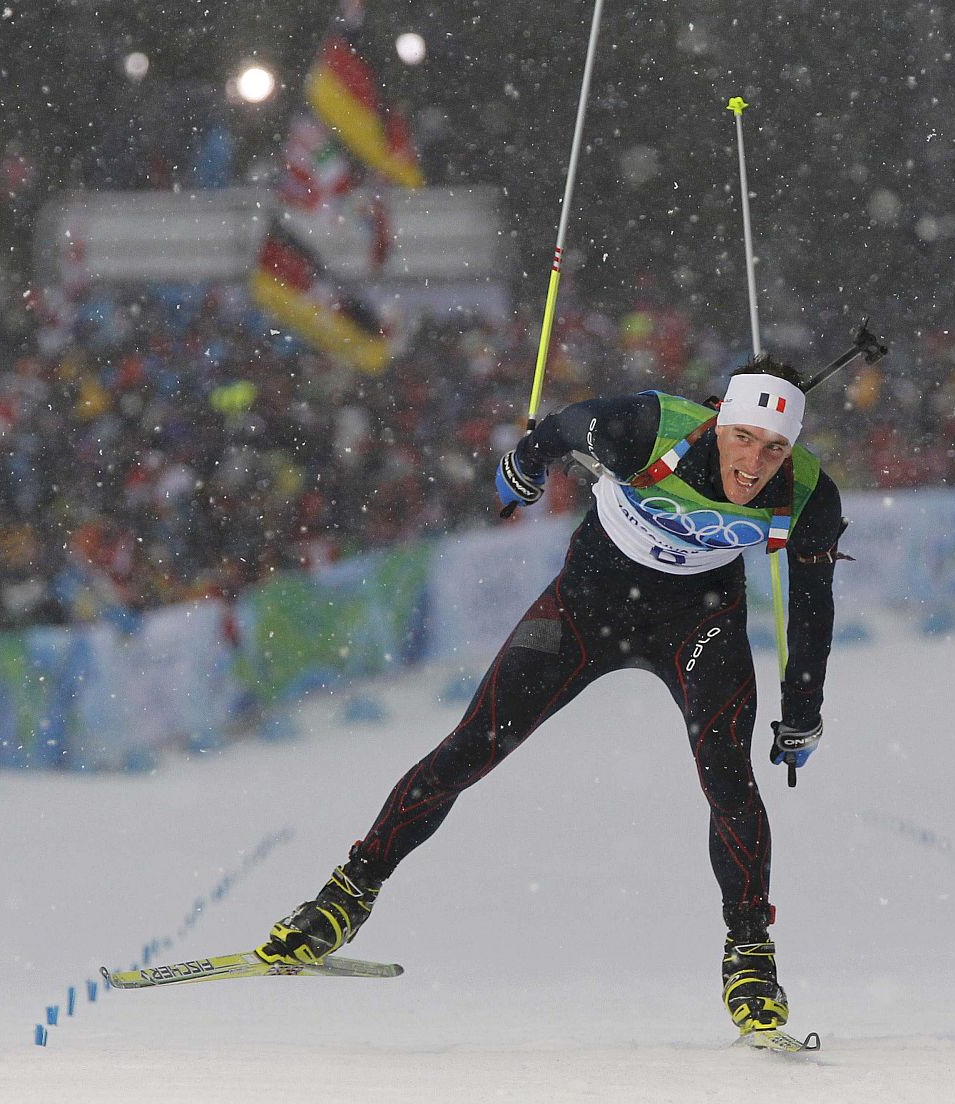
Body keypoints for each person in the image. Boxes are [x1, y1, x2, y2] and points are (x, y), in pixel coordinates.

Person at [254, 354, 847, 1035]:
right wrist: (526, 465)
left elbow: (812, 609)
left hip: (700, 621)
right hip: (588, 607)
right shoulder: (650, 428)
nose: (755, 463)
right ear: (720, 424)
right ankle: (348, 894)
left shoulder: (809, 494)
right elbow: (564, 426)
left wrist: (803, 712)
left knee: (728, 778)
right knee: (471, 748)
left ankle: (749, 953)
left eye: (775, 448)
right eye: (744, 438)